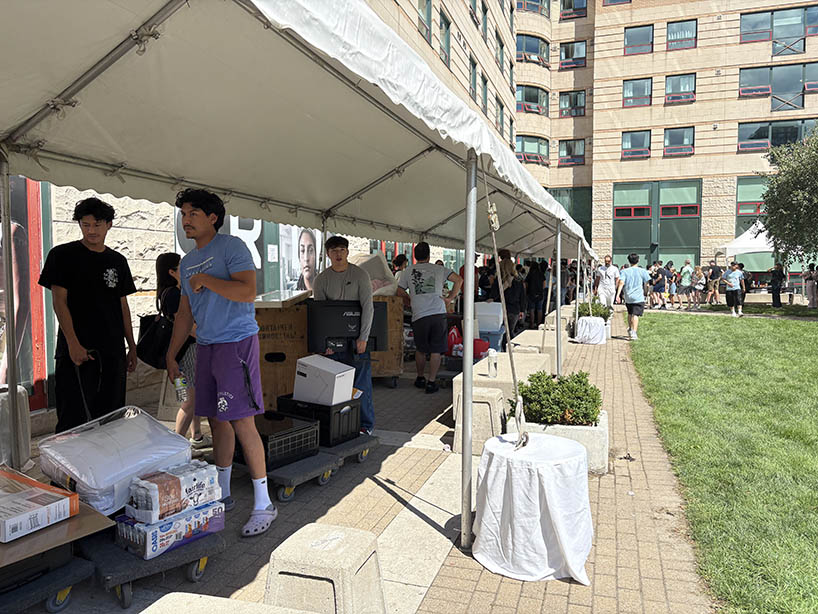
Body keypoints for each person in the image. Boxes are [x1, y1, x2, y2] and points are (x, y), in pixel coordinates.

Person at [165, 188, 275, 537]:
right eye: (183, 214)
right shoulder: (185, 262)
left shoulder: (232, 247)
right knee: (217, 420)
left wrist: (206, 280)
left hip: (237, 343)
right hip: (208, 345)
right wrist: (171, 353)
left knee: (243, 421)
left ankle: (263, 504)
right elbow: (184, 313)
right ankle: (223, 493)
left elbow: (247, 291)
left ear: (213, 217)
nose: (186, 220)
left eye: (193, 213)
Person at [38, 197, 137, 433]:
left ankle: (108, 466)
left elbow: (122, 305)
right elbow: (59, 301)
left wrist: (131, 346)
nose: (91, 230)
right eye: (86, 224)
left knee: (111, 417)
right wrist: (73, 343)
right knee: (74, 417)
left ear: (109, 225)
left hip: (112, 351)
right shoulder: (63, 255)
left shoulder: (118, 261)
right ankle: (70, 470)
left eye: (97, 224)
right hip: (77, 350)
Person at [313, 236, 376, 430]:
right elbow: (320, 314)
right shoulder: (321, 279)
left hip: (357, 340)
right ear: (328, 254)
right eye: (334, 251)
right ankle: (338, 426)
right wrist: (324, 344)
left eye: (341, 250)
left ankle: (365, 425)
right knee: (334, 386)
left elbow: (368, 307)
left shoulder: (360, 275)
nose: (338, 254)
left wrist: (363, 338)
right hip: (333, 344)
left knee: (361, 384)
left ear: (347, 252)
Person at [155, 252, 210, 449]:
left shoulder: (171, 292)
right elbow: (186, 326)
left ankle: (196, 436)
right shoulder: (173, 294)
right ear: (171, 272)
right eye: (181, 266)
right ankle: (175, 446)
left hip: (182, 355)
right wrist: (209, 336)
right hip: (185, 354)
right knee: (188, 402)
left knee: (191, 398)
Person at [397, 242, 462, 394]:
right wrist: (450, 297)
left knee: (420, 349)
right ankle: (431, 382)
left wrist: (410, 301)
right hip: (438, 313)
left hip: (419, 314)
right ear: (429, 255)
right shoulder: (439, 269)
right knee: (436, 350)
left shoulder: (408, 271)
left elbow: (399, 290)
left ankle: (420, 378)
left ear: (414, 255)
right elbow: (459, 280)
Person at [488, 259, 526, 348]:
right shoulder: (518, 280)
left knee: (502, 332)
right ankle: (511, 348)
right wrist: (522, 310)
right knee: (510, 331)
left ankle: (505, 348)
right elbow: (523, 297)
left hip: (500, 309)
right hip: (514, 309)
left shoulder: (499, 280)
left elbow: (493, 295)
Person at [615, 253, 651, 341]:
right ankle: (634, 332)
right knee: (635, 315)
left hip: (628, 296)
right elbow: (647, 283)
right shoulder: (643, 271)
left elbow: (621, 283)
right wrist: (646, 292)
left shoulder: (624, 271)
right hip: (638, 296)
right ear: (638, 260)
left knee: (630, 313)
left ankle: (630, 328)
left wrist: (617, 295)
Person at [525, 259, 545, 329]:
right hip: (540, 294)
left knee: (532, 309)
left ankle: (532, 324)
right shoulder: (541, 274)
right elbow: (544, 285)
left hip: (531, 294)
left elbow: (526, 284)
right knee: (539, 309)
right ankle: (539, 324)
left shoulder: (530, 274)